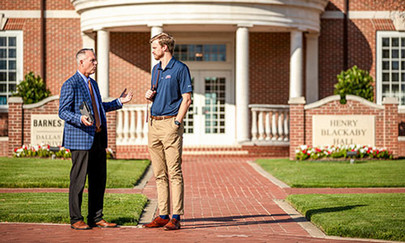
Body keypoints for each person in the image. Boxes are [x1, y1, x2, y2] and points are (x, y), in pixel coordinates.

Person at [59, 48, 133, 230]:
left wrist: (119, 102)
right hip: (80, 139)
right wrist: (79, 118)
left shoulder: (94, 84)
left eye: (95, 60)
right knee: (78, 180)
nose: (96, 63)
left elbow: (100, 108)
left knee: (99, 180)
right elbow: (63, 111)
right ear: (81, 62)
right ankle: (76, 219)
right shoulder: (71, 84)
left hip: (98, 138)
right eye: (92, 60)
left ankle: (96, 217)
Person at [143, 33, 192, 230]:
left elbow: (186, 98)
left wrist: (177, 123)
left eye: (155, 47)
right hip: (153, 125)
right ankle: (162, 214)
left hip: (170, 125)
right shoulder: (156, 69)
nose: (152, 50)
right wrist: (150, 95)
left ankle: (176, 216)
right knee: (159, 174)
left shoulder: (180, 69)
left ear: (165, 47)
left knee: (174, 172)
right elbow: (158, 94)